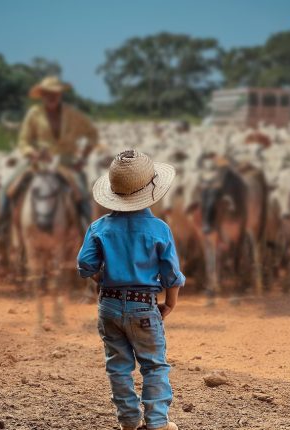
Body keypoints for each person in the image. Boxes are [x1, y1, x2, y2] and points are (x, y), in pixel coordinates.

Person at [77, 150, 184, 430]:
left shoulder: (98, 227)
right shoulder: (159, 229)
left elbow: (85, 265)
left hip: (109, 306)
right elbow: (171, 275)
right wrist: (169, 304)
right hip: (145, 306)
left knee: (118, 365)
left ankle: (128, 421)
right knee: (154, 365)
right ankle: (158, 423)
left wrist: (104, 278)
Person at [17, 76, 98, 225]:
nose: (52, 97)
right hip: (39, 164)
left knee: (82, 194)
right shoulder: (34, 114)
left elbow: (92, 133)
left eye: (55, 93)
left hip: (67, 164)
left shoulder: (73, 114)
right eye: (47, 93)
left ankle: (89, 232)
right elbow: (24, 141)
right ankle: (2, 229)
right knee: (8, 187)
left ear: (61, 94)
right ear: (41, 95)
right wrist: (33, 153)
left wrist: (83, 158)